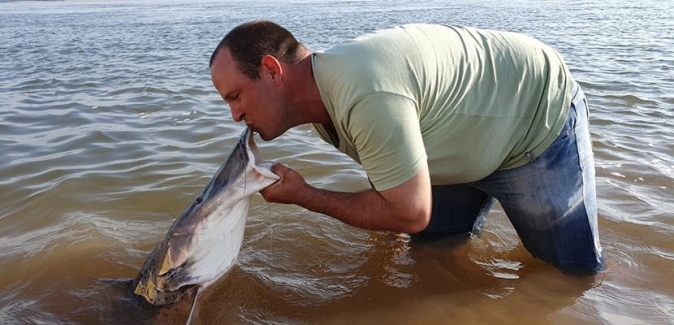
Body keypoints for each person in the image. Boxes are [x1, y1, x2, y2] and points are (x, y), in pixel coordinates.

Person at [208, 20, 605, 275]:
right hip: (450, 131)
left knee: (570, 273)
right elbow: (384, 150)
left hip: (532, 118)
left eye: (235, 96)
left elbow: (411, 213)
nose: (235, 115)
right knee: (435, 257)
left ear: (273, 71)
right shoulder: (318, 100)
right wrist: (389, 244)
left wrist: (305, 195)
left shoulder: (364, 92)